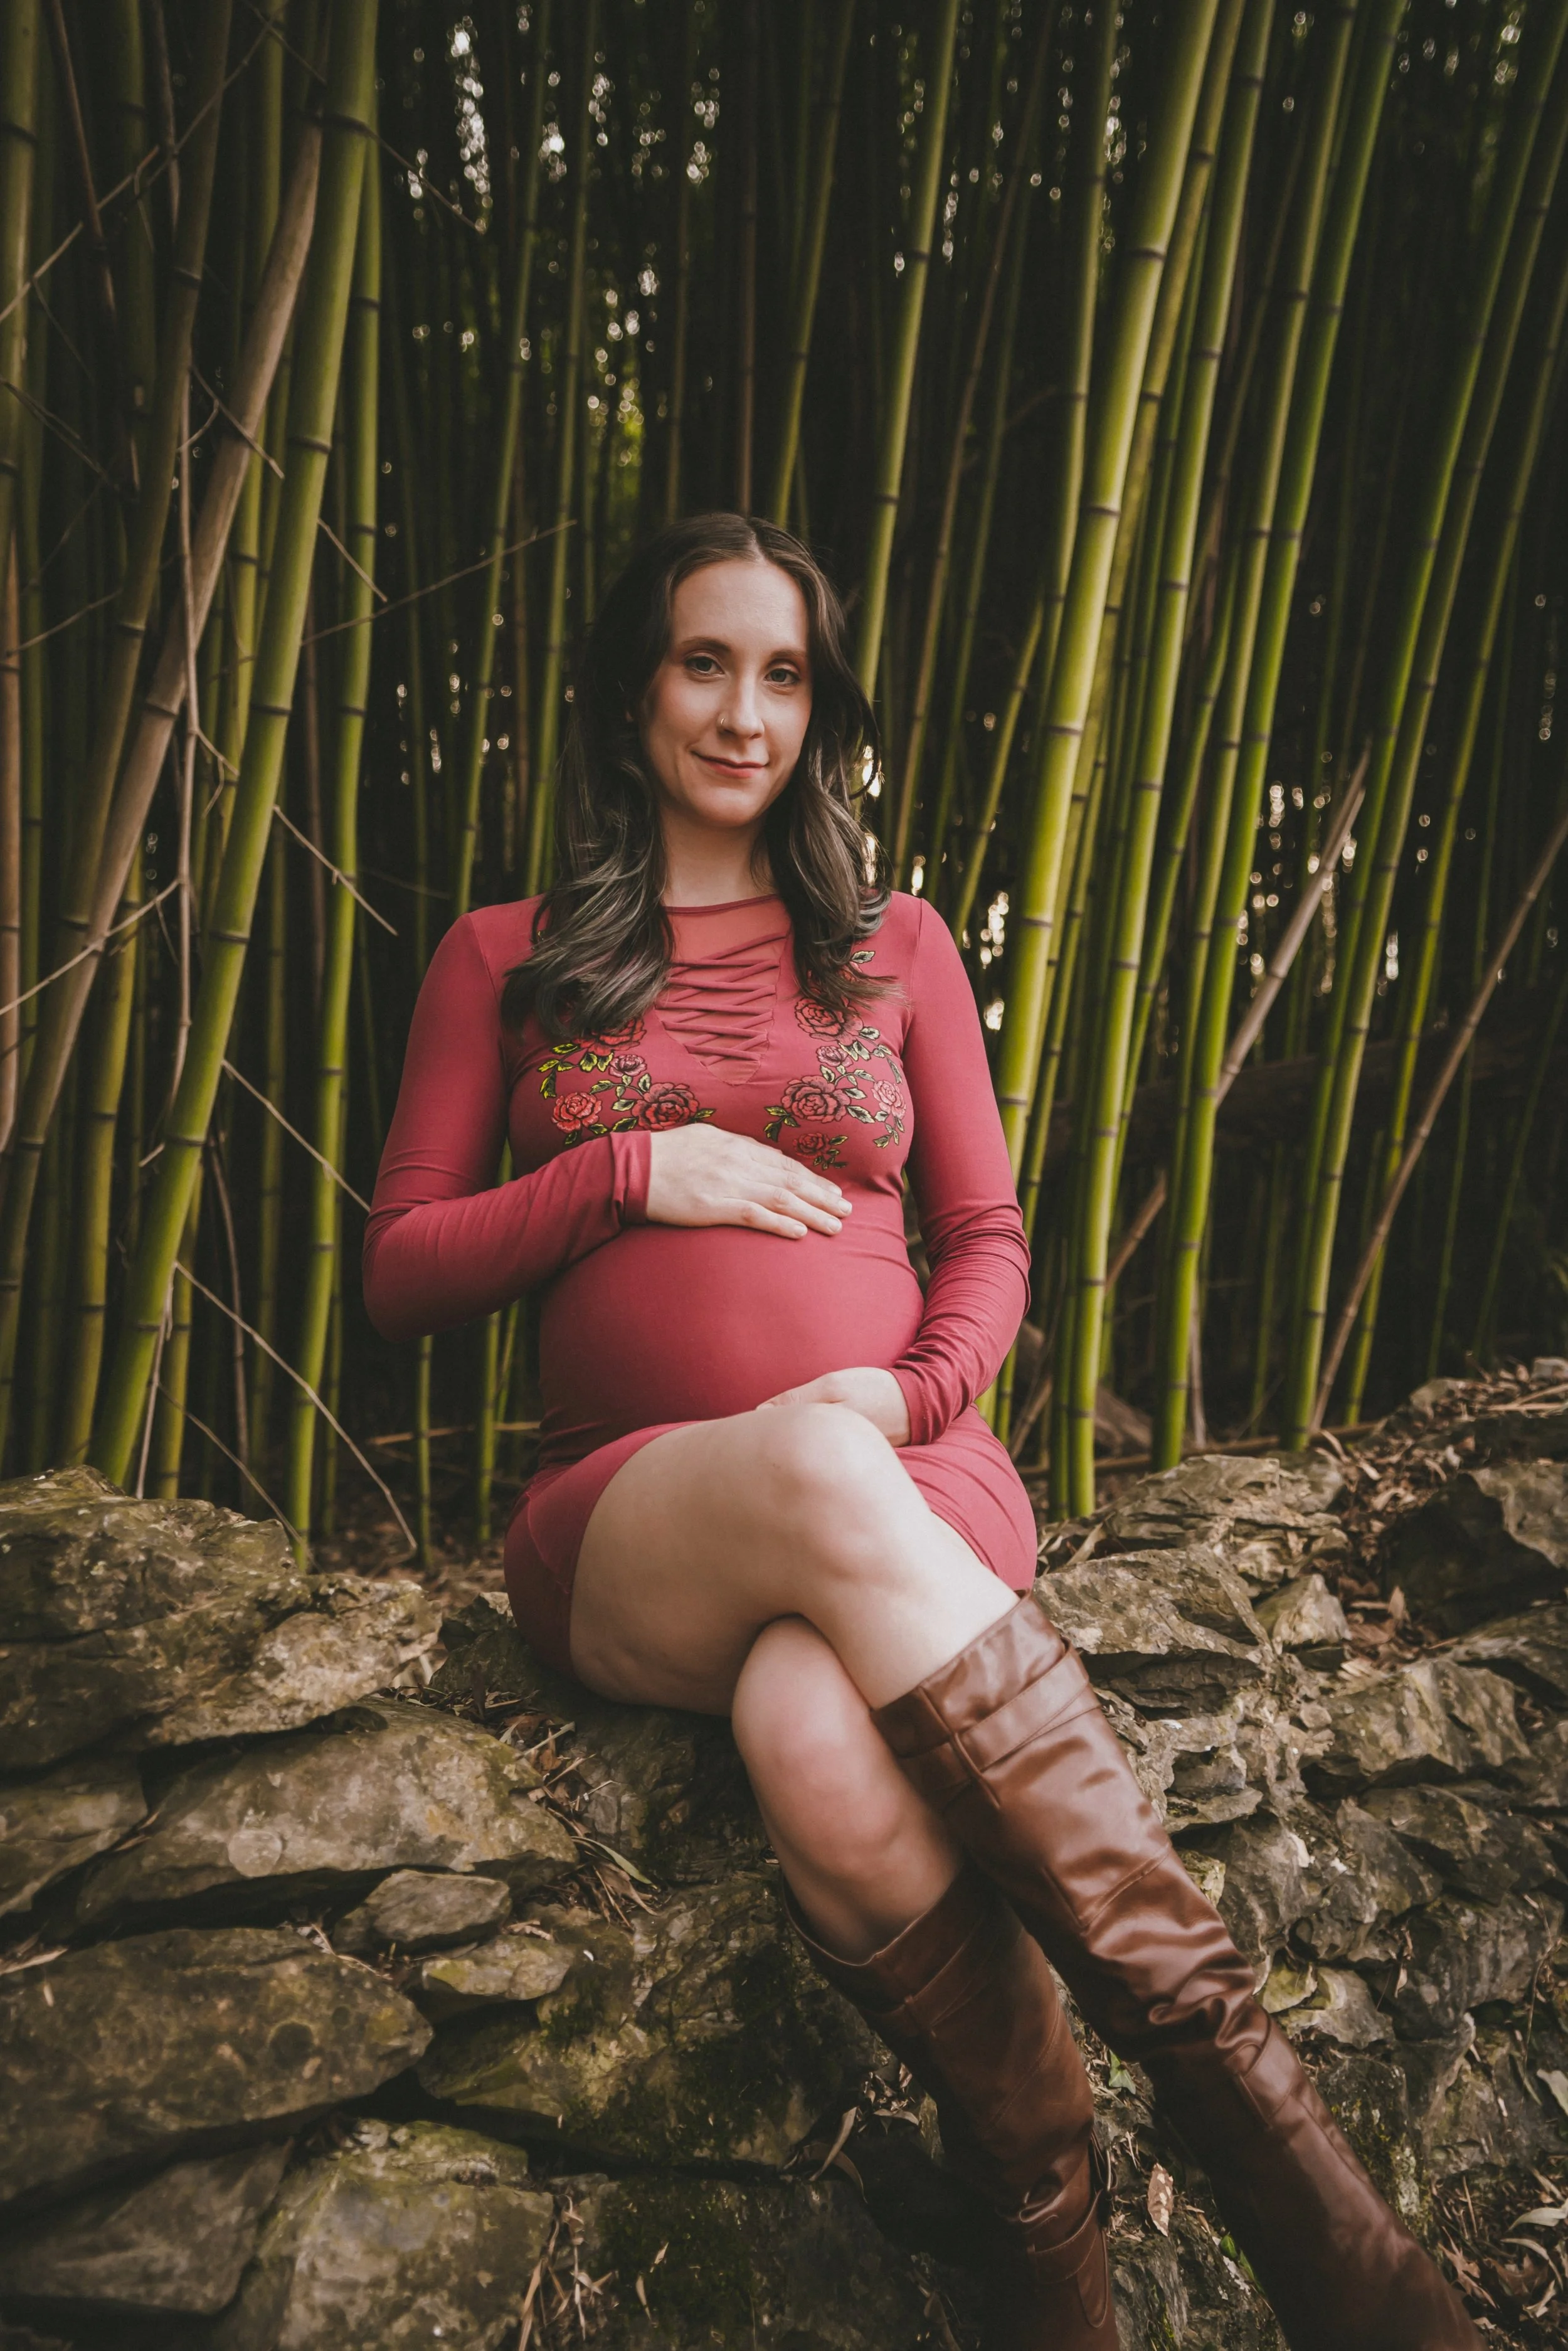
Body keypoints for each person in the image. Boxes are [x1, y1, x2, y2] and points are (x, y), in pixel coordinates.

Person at [364, 512, 1480, 2351]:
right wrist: (628, 1169)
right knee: (805, 1480)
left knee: (814, 1739)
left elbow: (983, 1243)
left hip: (910, 1466)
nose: (743, 710)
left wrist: (891, 1395)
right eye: (702, 661)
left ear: (821, 706)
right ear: (630, 684)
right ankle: (1323, 2223)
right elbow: (401, 1270)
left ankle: (1056, 2277)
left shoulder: (896, 942)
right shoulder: (504, 956)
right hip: (622, 1508)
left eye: (783, 671)